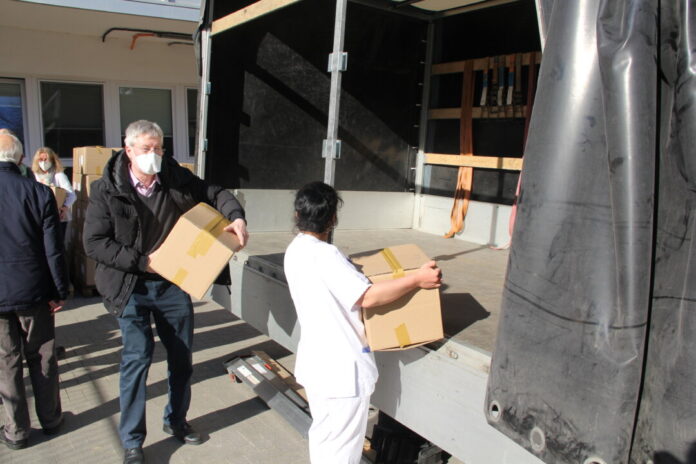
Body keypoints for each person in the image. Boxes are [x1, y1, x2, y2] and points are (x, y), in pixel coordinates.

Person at [83, 120, 248, 464]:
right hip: (130, 285)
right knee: (137, 360)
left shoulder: (174, 176)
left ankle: (176, 419)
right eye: (146, 149)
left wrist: (235, 215)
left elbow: (214, 192)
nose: (154, 155)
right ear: (128, 150)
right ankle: (131, 441)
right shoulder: (106, 189)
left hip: (172, 283)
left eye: (159, 148)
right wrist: (144, 262)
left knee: (181, 360)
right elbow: (94, 243)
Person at [283, 181, 442, 464]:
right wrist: (417, 279)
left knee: (324, 439)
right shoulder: (326, 255)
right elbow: (368, 297)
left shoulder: (295, 250)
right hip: (342, 373)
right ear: (332, 219)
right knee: (342, 452)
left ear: (297, 215)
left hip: (317, 367)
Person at [0, 132, 68, 450]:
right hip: (34, 290)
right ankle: (51, 420)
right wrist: (59, 291)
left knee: (6, 361)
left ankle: (16, 432)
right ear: (22, 160)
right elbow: (53, 250)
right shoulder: (39, 192)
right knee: (41, 355)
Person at [31, 147, 76, 241]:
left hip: (59, 216)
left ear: (52, 160)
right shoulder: (36, 175)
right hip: (43, 215)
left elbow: (72, 195)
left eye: (45, 159)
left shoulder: (59, 175)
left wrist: (64, 208)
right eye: (41, 160)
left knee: (57, 242)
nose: (43, 162)